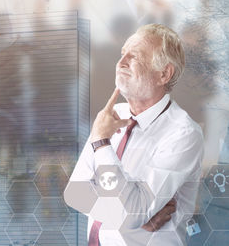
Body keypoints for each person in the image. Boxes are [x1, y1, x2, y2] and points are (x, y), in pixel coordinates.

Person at [64, 24, 204, 245]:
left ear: (163, 74)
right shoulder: (113, 115)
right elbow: (75, 193)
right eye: (122, 54)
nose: (120, 63)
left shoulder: (183, 134)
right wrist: (129, 216)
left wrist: (102, 143)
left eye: (135, 57)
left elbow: (133, 211)